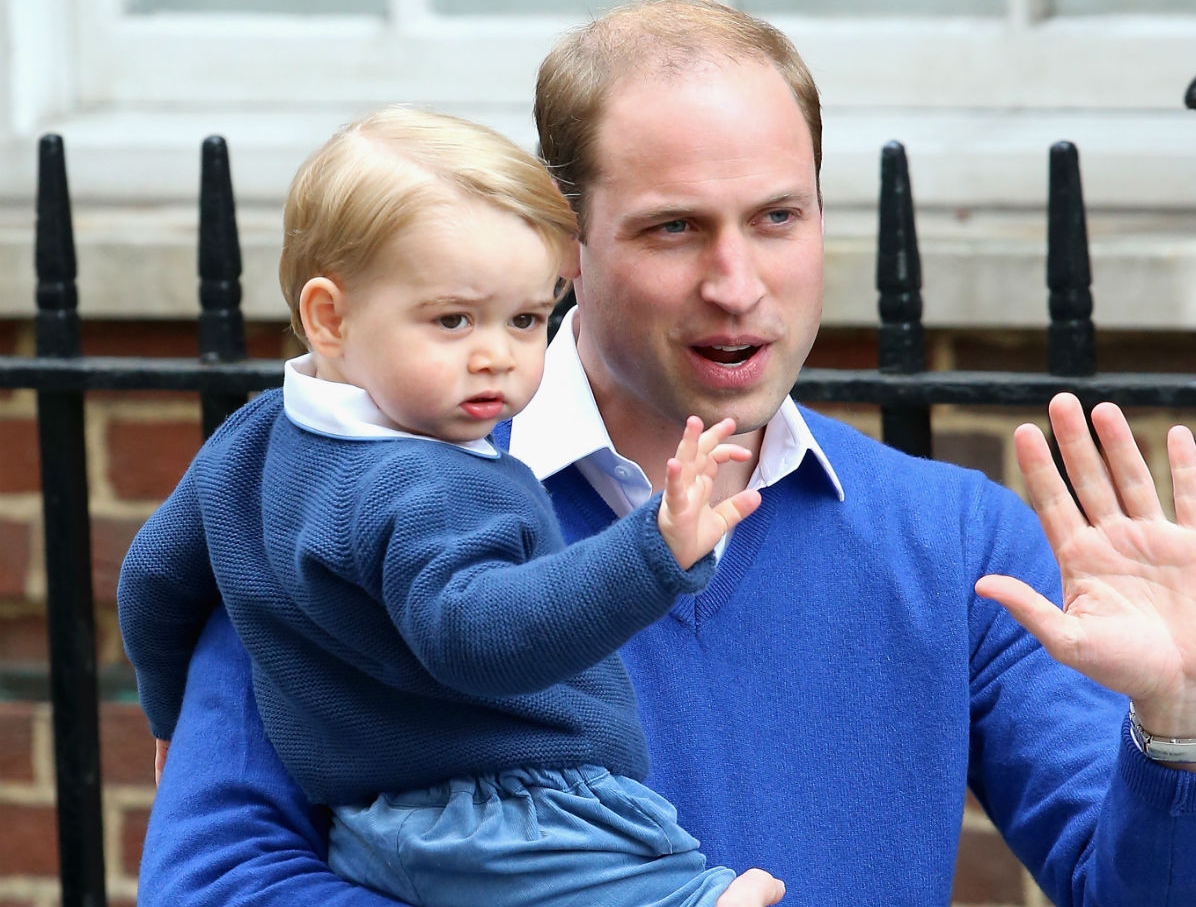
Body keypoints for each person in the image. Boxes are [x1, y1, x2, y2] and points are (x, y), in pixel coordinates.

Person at [135, 0, 1196, 907]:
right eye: (674, 227)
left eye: (778, 217)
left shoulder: (953, 538)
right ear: (565, 246)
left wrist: (1187, 722)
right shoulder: (334, 496)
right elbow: (218, 881)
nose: (736, 286)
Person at [118, 106, 786, 907]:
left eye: (527, 319)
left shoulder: (251, 440)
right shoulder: (431, 482)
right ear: (330, 317)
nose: (496, 356)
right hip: (511, 814)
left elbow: (154, 578)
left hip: (372, 824)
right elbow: (479, 635)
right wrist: (654, 550)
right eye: (452, 319)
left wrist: (167, 714)